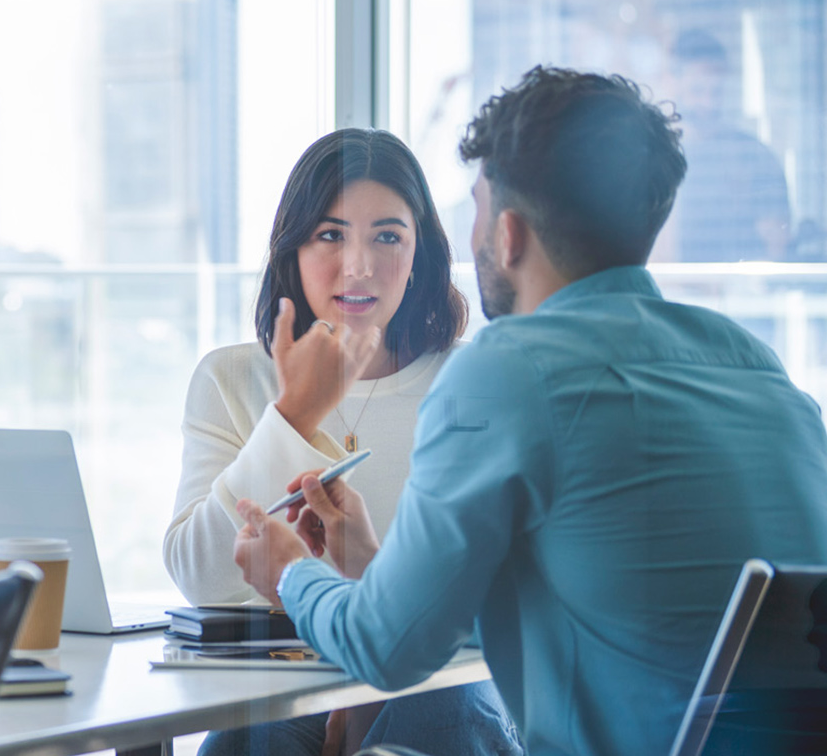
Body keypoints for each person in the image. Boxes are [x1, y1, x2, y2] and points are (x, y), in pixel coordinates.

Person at [233, 66, 827, 756]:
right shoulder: (758, 369)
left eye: (479, 208)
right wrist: (374, 568)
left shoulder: (507, 369)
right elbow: (633, 628)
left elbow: (383, 652)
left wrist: (289, 573)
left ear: (509, 234)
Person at [165, 128, 519, 755]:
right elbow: (204, 579)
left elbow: (498, 605)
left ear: (421, 258)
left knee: (436, 706)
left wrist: (366, 699)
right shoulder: (230, 378)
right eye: (330, 235)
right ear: (292, 251)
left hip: (444, 685)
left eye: (388, 236)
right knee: (256, 734)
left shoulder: (475, 380)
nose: (358, 265)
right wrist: (295, 416)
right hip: (285, 685)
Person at [658, 28, 793, 262]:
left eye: (717, 92)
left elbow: (777, 249)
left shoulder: (755, 158)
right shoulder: (651, 158)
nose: (709, 103)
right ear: (673, 83)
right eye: (697, 91)